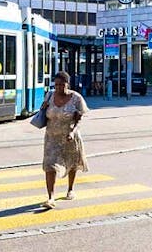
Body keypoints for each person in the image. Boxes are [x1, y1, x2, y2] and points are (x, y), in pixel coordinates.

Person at [41, 70, 89, 209]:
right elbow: (45, 113)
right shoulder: (49, 95)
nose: (58, 88)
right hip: (51, 137)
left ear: (67, 84)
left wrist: (73, 132)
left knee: (71, 164)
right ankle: (50, 197)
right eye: (56, 85)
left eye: (61, 85)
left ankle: (70, 189)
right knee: (49, 166)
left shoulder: (76, 98)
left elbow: (79, 119)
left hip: (69, 137)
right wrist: (43, 108)